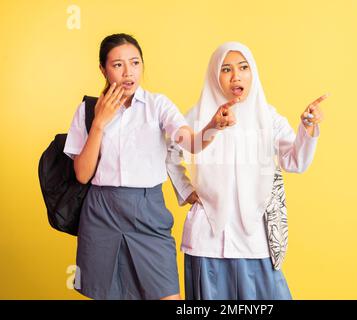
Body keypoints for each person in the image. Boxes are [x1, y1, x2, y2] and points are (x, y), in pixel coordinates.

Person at [63, 34, 238, 300]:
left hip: (148, 209)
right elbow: (82, 174)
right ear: (103, 69)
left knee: (167, 295)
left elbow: (189, 142)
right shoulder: (87, 110)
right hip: (101, 212)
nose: (128, 72)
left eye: (135, 63)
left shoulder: (157, 106)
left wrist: (213, 125)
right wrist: (99, 123)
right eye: (118, 65)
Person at [167, 42, 328, 299]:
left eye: (243, 67)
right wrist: (186, 189)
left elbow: (294, 161)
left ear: (253, 72)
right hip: (207, 239)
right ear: (214, 74)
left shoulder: (268, 117)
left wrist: (307, 129)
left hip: (255, 238)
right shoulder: (198, 114)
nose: (236, 76)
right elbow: (171, 151)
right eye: (226, 69)